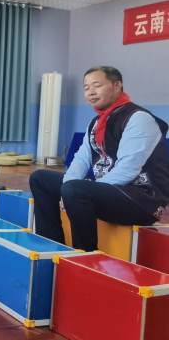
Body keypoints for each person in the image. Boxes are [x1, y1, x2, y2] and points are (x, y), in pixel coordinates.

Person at [30, 66, 169, 251]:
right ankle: (51, 245)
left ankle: (84, 255)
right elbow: (81, 159)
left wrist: (75, 189)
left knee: (75, 190)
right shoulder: (95, 123)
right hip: (110, 190)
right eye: (86, 87)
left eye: (97, 85)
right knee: (40, 179)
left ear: (117, 85)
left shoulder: (139, 119)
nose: (91, 92)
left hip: (140, 199)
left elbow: (127, 170)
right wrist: (66, 187)